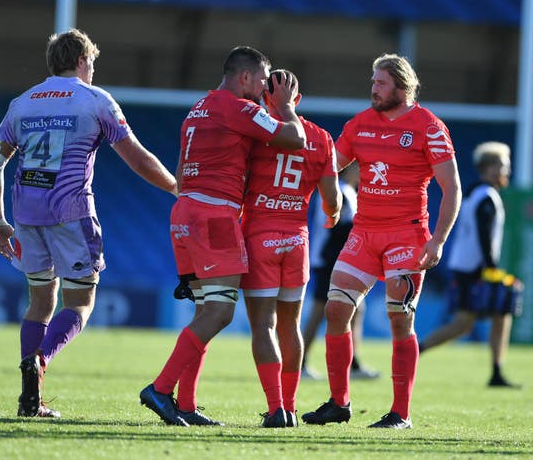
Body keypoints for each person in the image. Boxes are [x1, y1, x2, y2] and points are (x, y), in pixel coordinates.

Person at [0, 29, 177, 418]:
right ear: (84, 61)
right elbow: (136, 158)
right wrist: (175, 187)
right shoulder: (95, 100)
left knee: (39, 301)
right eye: (92, 64)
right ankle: (40, 360)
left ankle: (29, 400)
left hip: (25, 214)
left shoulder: (23, 103)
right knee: (81, 303)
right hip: (71, 213)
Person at [139, 46, 306, 427]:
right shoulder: (239, 108)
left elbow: (181, 172)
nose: (265, 88)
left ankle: (185, 404)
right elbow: (293, 138)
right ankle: (161, 389)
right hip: (215, 215)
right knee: (220, 311)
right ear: (245, 77)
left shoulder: (196, 109)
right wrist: (285, 106)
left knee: (204, 310)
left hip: (184, 213)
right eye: (262, 80)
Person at [301, 53, 462, 429]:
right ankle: (339, 403)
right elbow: (328, 166)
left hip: (407, 235)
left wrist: (437, 241)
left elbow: (451, 188)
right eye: (372, 81)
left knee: (399, 320)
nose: (373, 88)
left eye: (381, 82)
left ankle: (400, 413)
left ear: (403, 87)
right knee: (336, 310)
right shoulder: (359, 124)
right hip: (364, 234)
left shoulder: (429, 127)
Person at [240, 69, 342, 428]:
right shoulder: (321, 137)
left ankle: (274, 409)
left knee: (263, 326)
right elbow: (333, 201)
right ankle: (291, 407)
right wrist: (330, 216)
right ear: (297, 100)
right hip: (296, 240)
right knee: (290, 325)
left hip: (259, 236)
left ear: (265, 98)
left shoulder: (256, 130)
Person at [419, 141, 523, 388]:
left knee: (496, 315)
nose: (506, 172)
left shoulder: (476, 193)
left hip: (468, 267)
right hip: (473, 269)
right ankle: (414, 349)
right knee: (464, 323)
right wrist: (492, 268)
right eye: (503, 166)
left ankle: (497, 371)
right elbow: (483, 234)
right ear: (490, 167)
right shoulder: (486, 196)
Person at [302, 162, 380, 381]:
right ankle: (300, 363)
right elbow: (334, 227)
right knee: (320, 312)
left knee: (357, 308)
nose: (363, 172)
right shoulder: (338, 191)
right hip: (331, 260)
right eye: (359, 167)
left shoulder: (348, 192)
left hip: (339, 260)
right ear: (346, 169)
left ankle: (353, 363)